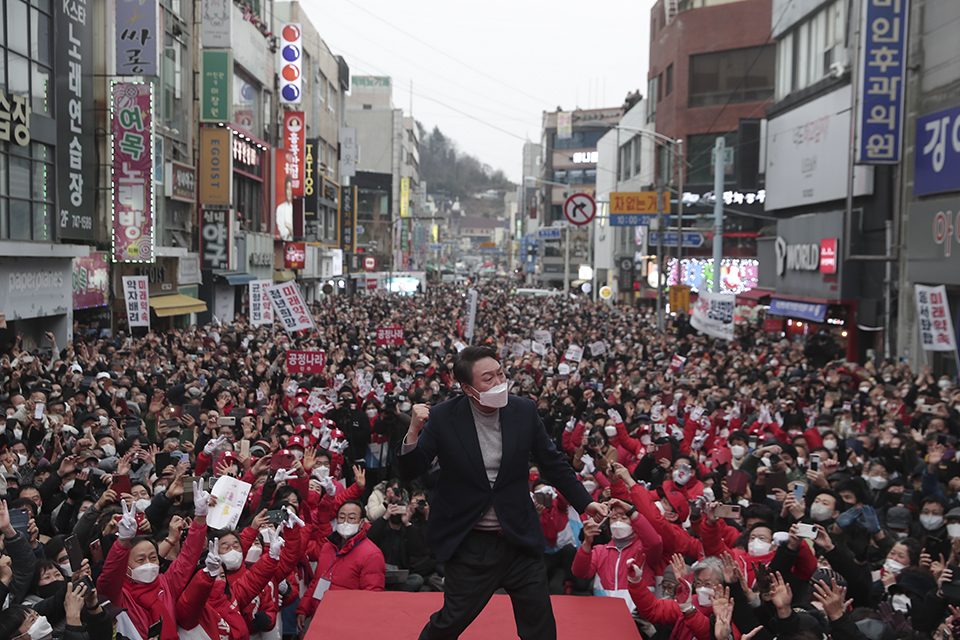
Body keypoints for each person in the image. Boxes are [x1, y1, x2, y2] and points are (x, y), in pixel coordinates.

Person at [397, 345, 608, 640]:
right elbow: (411, 471)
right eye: (488, 378)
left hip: (518, 538)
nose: (499, 382)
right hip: (471, 543)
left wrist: (586, 503)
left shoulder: (524, 410)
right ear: (468, 388)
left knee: (541, 627)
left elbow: (554, 463)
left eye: (501, 374)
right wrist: (413, 432)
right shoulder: (445, 417)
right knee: (449, 624)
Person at [275, 176, 294, 241]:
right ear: (285, 190)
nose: (289, 192)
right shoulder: (280, 208)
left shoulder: (295, 209)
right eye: (288, 188)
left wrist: (289, 227)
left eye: (291, 189)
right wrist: (291, 230)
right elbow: (282, 233)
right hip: (282, 242)